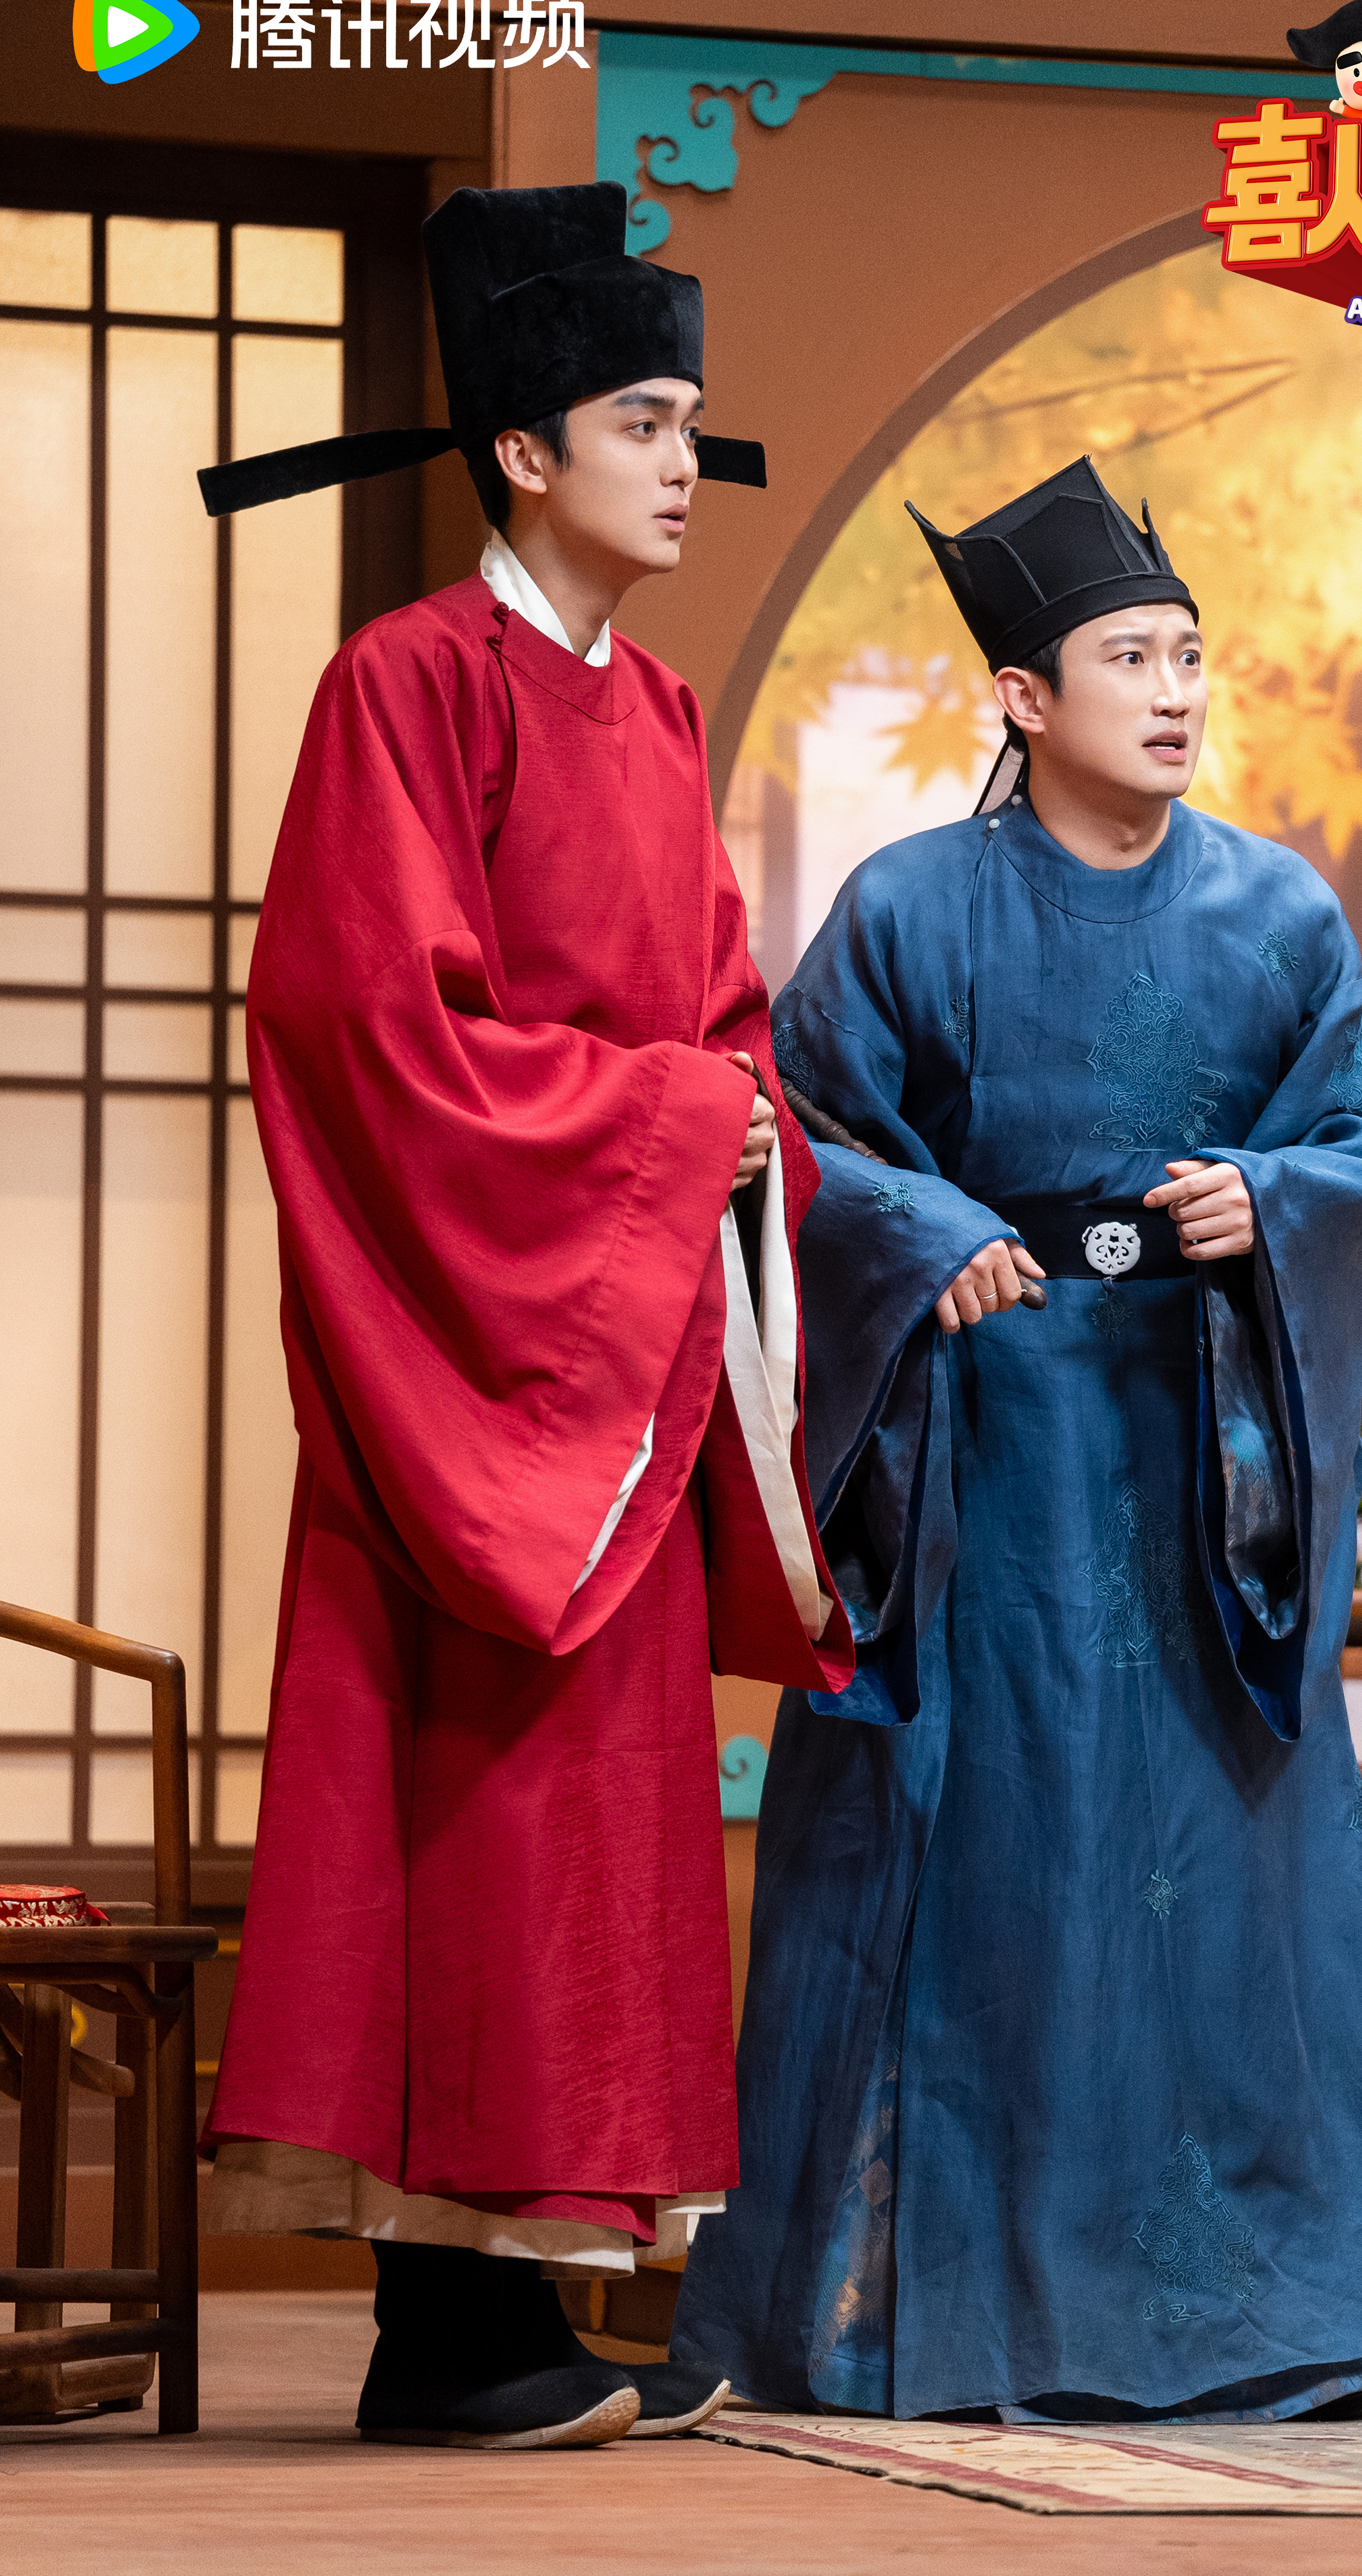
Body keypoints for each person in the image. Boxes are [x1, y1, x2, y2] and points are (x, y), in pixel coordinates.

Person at [672, 456, 1362, 2422]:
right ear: (1026, 697)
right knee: (980, 1863)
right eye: (1132, 657)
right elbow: (796, 1130)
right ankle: (907, 2314)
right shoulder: (912, 905)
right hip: (977, 1451)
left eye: (1191, 655)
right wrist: (922, 1228)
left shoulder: (1278, 909)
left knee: (1204, 1879)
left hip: (1194, 1467)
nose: (1177, 690)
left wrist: (1266, 1195)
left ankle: (1237, 2321)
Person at [195, 181, 851, 2450]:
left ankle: (515, 2307)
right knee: (457, 1816)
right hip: (469, 1362)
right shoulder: (404, 683)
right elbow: (368, 1025)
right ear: (522, 450)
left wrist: (737, 1127)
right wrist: (670, 1129)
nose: (681, 462)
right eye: (640, 422)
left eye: (688, 421)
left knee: (593, 1837)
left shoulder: (654, 708)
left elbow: (719, 1018)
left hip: (616, 1346)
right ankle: (440, 2331)